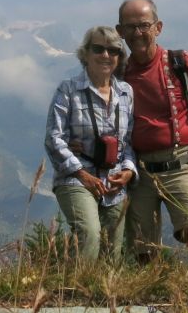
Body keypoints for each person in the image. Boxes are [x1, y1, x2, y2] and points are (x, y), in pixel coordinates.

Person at [117, 0, 188, 276]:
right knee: (143, 251)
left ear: (158, 27)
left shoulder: (181, 63)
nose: (137, 33)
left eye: (143, 25)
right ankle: (153, 307)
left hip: (179, 164)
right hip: (138, 171)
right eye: (130, 27)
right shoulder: (119, 73)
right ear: (119, 31)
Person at [44, 26, 137, 262]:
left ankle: (105, 297)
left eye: (113, 50)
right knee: (88, 234)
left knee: (111, 253)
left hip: (114, 183)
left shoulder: (126, 93)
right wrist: (82, 174)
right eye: (98, 48)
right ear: (85, 53)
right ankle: (76, 292)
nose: (106, 55)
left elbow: (128, 141)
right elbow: (54, 138)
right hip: (76, 178)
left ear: (119, 56)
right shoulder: (68, 90)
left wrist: (127, 171)